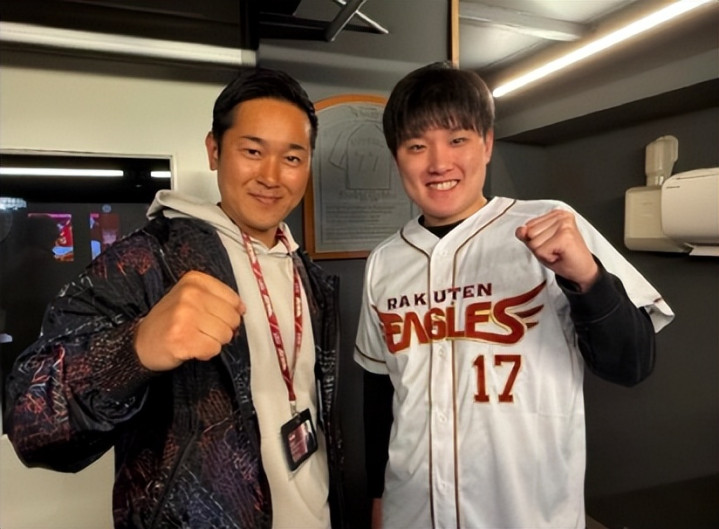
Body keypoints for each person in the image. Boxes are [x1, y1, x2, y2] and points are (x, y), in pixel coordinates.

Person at [5, 67, 345, 529]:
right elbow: (30, 422)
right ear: (214, 150)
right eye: (252, 151)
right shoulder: (148, 261)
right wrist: (134, 350)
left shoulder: (311, 278)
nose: (271, 176)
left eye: (291, 157)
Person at [354, 62, 674, 529]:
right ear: (397, 157)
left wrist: (587, 278)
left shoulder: (552, 223)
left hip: (527, 513)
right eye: (416, 146)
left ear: (486, 144)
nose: (438, 162)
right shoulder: (385, 260)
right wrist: (380, 496)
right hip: (413, 511)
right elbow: (381, 391)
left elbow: (633, 364)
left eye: (457, 139)